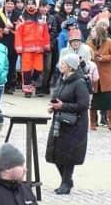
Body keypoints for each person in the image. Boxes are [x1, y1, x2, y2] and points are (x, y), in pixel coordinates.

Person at [45, 53, 90, 195]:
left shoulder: (79, 83)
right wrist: (53, 106)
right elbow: (56, 97)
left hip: (75, 124)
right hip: (60, 121)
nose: (60, 66)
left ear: (70, 67)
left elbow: (83, 104)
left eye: (63, 64)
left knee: (68, 155)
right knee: (56, 152)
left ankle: (66, 182)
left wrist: (62, 106)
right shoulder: (61, 79)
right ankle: (66, 181)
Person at [14, 0, 50, 97]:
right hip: (26, 48)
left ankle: (31, 83)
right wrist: (19, 47)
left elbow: (46, 33)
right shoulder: (22, 18)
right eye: (29, 4)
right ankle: (27, 90)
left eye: (32, 4)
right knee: (26, 70)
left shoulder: (42, 18)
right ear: (26, 6)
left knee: (39, 69)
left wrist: (46, 45)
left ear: (36, 5)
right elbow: (18, 33)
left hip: (39, 48)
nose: (31, 6)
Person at [88, 24, 111, 131]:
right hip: (94, 75)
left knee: (108, 100)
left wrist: (103, 58)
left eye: (93, 32)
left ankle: (110, 121)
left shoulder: (109, 42)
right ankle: (92, 122)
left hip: (106, 75)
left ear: (99, 33)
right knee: (93, 101)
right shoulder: (89, 44)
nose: (91, 33)